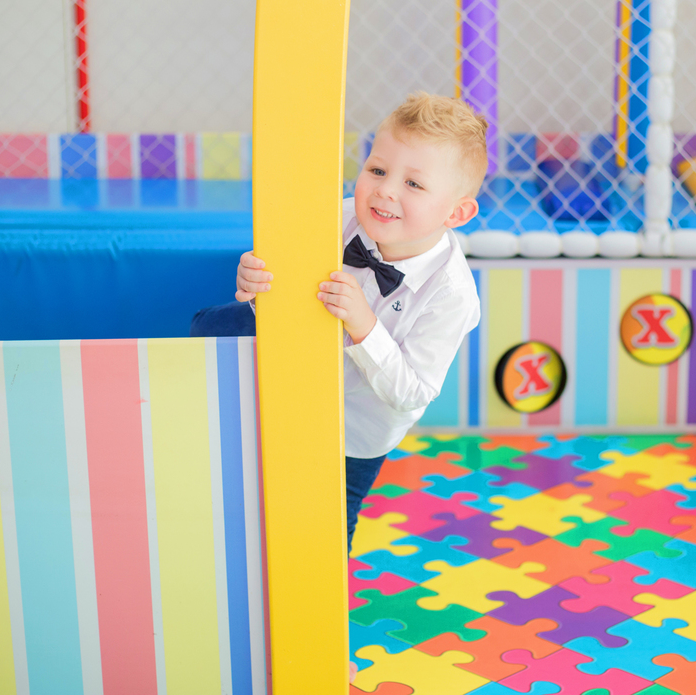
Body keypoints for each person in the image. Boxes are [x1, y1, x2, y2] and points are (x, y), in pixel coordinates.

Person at [191, 92, 485, 551]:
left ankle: (317, 614)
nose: (386, 190)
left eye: (414, 184)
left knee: (327, 526)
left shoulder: (451, 294)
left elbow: (412, 392)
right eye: (378, 170)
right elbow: (276, 284)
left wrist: (365, 326)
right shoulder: (338, 217)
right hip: (286, 378)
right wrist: (254, 281)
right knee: (205, 329)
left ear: (457, 212)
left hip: (355, 428)